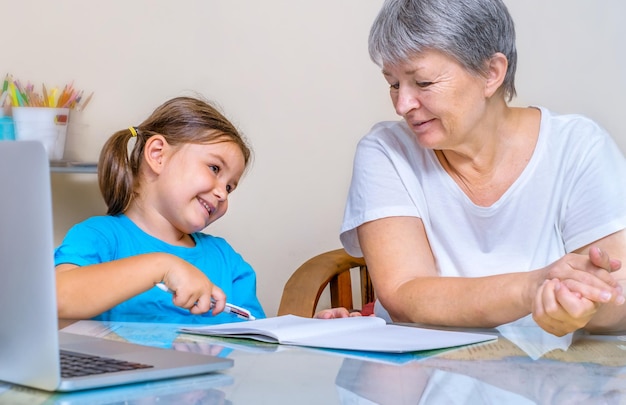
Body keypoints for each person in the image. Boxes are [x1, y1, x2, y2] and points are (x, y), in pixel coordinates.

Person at [337, 0, 626, 337]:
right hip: (423, 379)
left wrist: (585, 305)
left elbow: (617, 296)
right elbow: (405, 294)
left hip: (557, 381)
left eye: (424, 83)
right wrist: (531, 289)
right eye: (394, 84)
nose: (403, 105)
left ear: (491, 73)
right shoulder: (386, 151)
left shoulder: (578, 146)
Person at [54, 96, 266, 324]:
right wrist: (162, 266)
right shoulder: (99, 236)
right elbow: (57, 299)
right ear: (157, 155)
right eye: (214, 168)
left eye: (229, 187)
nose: (222, 194)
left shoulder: (228, 261)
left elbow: (260, 338)